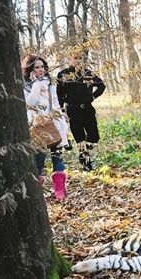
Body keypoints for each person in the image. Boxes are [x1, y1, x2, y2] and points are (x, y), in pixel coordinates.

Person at [23, 54, 69, 200]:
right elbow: (30, 103)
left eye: (42, 66)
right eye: (36, 67)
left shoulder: (50, 83)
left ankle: (59, 190)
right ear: (29, 69)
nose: (40, 70)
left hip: (53, 123)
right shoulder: (24, 86)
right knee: (39, 159)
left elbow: (55, 103)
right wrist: (36, 83)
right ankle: (38, 192)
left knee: (57, 156)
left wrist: (61, 121)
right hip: (37, 125)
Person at [57, 54, 106, 171]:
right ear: (69, 59)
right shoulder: (63, 74)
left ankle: (86, 150)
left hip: (88, 109)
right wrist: (62, 110)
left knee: (94, 137)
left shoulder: (88, 73)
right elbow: (59, 94)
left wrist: (93, 97)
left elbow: (101, 86)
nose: (78, 61)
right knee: (79, 138)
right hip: (73, 110)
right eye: (75, 58)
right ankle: (86, 163)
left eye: (80, 58)